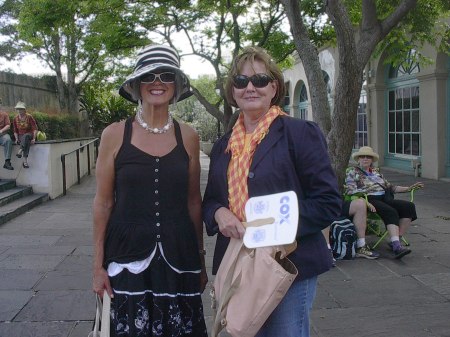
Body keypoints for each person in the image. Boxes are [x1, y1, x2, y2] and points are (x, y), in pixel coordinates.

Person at [202, 46, 342, 337]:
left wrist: (272, 227)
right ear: (233, 90)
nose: (250, 87)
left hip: (288, 261)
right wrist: (219, 212)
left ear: (274, 86)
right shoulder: (223, 146)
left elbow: (328, 203)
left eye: (260, 80)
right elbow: (211, 200)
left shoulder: (299, 133)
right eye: (241, 81)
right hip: (238, 261)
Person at [92, 44, 208, 337]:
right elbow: (103, 203)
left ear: (177, 84)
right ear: (136, 85)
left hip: (180, 257)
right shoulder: (114, 134)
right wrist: (97, 267)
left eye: (166, 75)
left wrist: (200, 260)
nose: (157, 82)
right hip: (127, 257)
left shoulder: (189, 136)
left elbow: (194, 202)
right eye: (149, 76)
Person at [345, 146, 424, 259]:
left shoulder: (376, 173)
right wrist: (365, 202)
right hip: (369, 200)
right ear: (358, 159)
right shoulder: (353, 172)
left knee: (409, 207)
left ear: (372, 160)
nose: (365, 159)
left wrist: (409, 188)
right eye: (362, 157)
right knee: (390, 211)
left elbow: (391, 187)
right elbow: (350, 191)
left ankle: (396, 239)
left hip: (384, 198)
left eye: (368, 157)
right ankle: (397, 247)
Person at [13, 101, 37, 169]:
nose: (19, 111)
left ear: (24, 110)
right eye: (18, 109)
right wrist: (16, 139)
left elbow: (35, 128)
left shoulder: (29, 117)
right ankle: (25, 161)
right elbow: (15, 131)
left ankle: (20, 150)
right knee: (26, 140)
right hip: (21, 136)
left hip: (30, 134)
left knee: (26, 136)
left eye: (21, 109)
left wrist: (34, 138)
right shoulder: (15, 118)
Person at [0, 102, 14, 170]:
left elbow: (8, 125)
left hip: (2, 135)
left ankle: (7, 162)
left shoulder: (4, 114)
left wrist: (1, 130)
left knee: (8, 140)